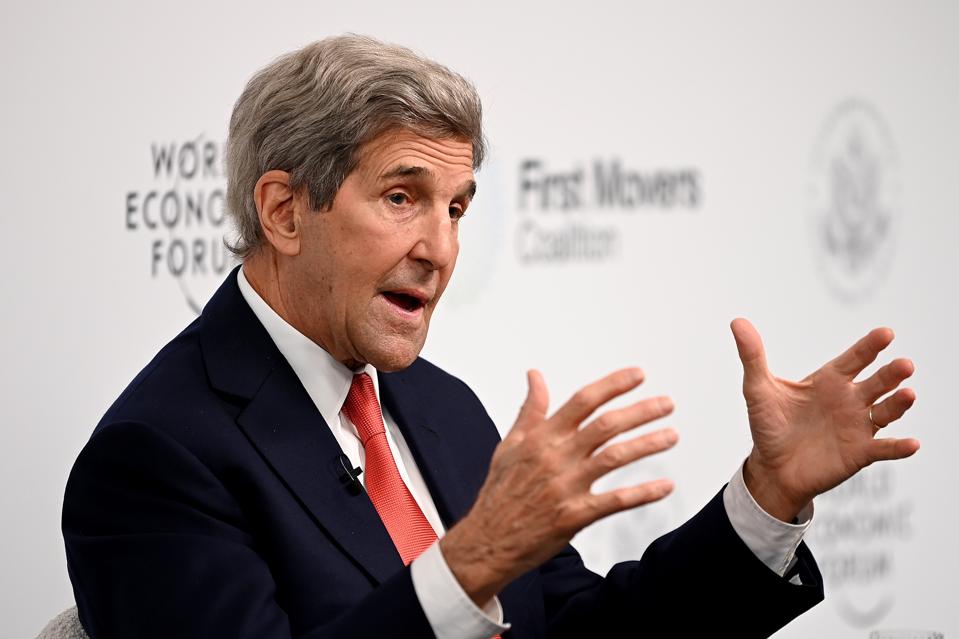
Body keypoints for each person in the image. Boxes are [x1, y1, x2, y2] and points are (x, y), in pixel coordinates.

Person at [62, 35, 920, 638]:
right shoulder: (155, 458)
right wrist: (467, 566)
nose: (439, 249)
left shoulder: (439, 406)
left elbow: (580, 629)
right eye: (401, 197)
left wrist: (764, 499)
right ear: (284, 211)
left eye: (457, 207)